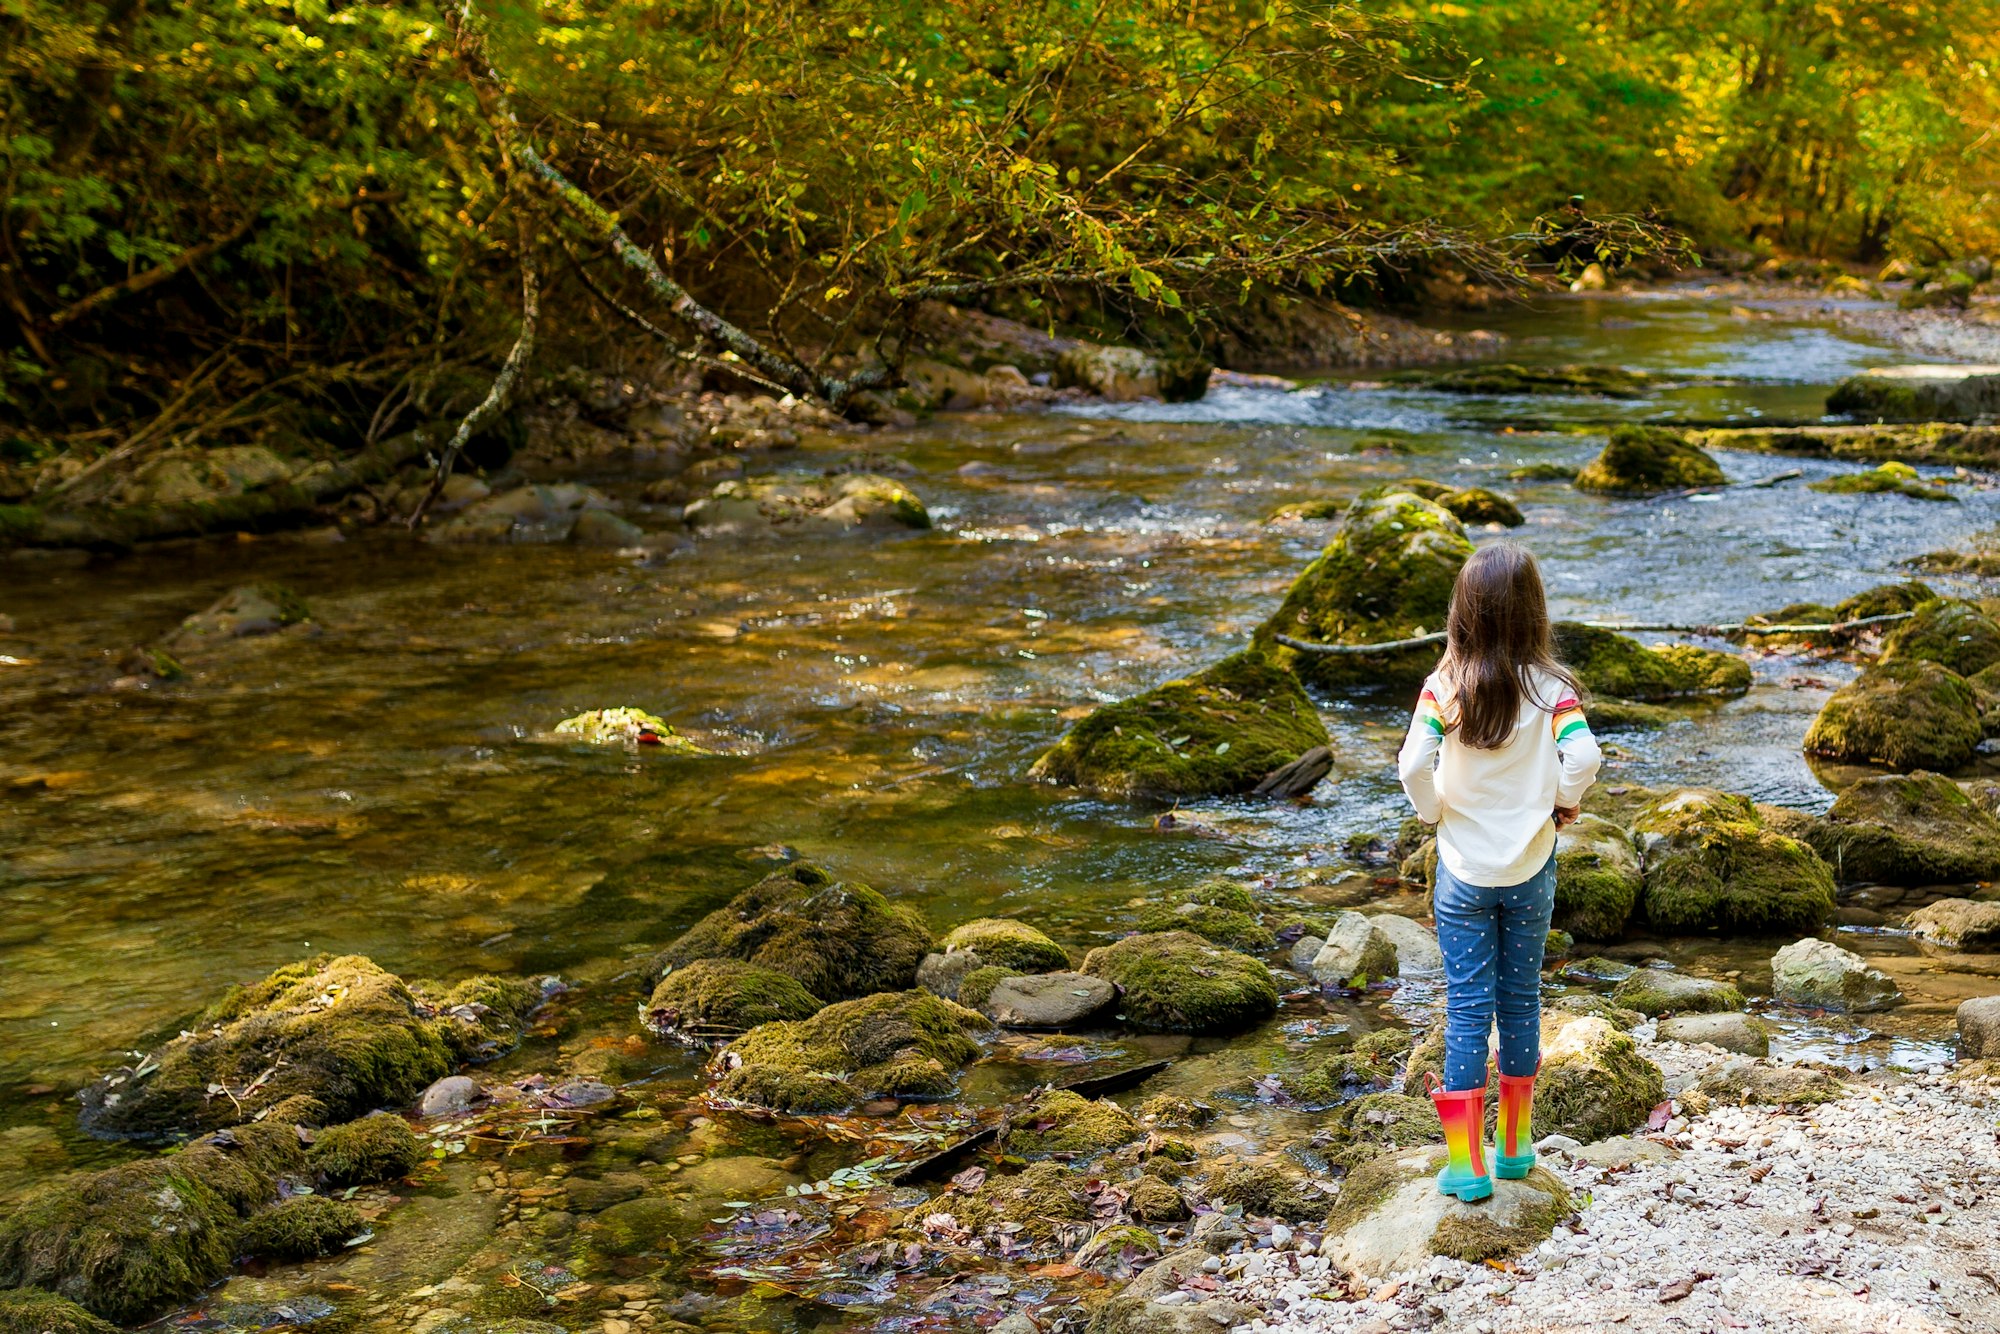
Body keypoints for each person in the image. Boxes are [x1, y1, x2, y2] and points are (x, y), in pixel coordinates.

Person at [1397, 542, 1601, 1202]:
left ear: (1463, 612)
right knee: (1519, 1001)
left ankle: (1466, 1166)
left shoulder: (1444, 687)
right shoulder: (1552, 691)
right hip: (1531, 867)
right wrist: (1562, 803)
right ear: (1533, 614)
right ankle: (1514, 1150)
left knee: (1466, 1009)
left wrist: (1434, 812)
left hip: (1462, 873)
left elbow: (1410, 768)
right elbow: (1586, 758)